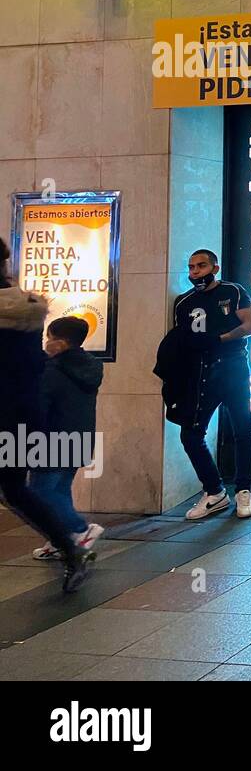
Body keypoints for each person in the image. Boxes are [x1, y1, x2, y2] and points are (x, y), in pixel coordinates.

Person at [0, 238, 92, 591]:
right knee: (14, 489)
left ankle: (71, 547)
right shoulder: (25, 309)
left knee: (14, 490)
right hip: (23, 414)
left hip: (7, 413)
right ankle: (70, 549)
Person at [172, 249, 251, 521]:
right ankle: (214, 491)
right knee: (190, 433)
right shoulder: (184, 302)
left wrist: (220, 340)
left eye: (201, 266)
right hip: (200, 373)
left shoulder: (233, 291)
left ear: (214, 268)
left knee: (243, 429)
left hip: (233, 367)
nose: (195, 272)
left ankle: (243, 490)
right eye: (191, 267)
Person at [30, 316, 105, 560]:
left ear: (59, 342)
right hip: (79, 439)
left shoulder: (51, 369)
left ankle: (80, 529)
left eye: (49, 338)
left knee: (40, 492)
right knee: (60, 490)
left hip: (50, 439)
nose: (46, 343)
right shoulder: (91, 365)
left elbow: (39, 406)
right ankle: (61, 539)